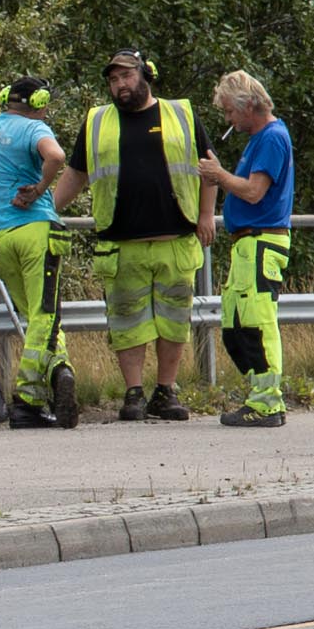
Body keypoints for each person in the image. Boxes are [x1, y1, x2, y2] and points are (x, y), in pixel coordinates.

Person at [51, 49, 212, 422]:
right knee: (127, 324)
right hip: (121, 243)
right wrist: (47, 210)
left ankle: (166, 392)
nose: (119, 85)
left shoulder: (181, 114)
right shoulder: (96, 121)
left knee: (174, 321)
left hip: (176, 239)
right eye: (112, 79)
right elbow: (76, 174)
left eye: (125, 76)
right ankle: (134, 394)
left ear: (145, 75)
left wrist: (206, 215)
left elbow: (208, 168)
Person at [0, 78, 76, 428]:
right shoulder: (35, 127)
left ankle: (60, 369)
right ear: (40, 101)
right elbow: (56, 156)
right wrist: (38, 189)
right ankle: (28, 400)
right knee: (45, 315)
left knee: (35, 316)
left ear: (6, 98)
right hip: (37, 230)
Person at [198, 70, 295, 428]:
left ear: (247, 105)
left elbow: (254, 191)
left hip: (262, 240)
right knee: (235, 325)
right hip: (246, 243)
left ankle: (268, 402)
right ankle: (259, 394)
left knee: (256, 322)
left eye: (229, 112)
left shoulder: (271, 137)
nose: (228, 120)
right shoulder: (258, 139)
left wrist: (219, 175)